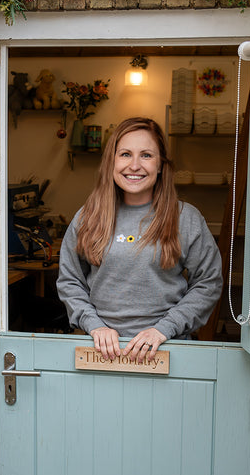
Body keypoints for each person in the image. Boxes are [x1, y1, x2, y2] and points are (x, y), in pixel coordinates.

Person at [57, 117, 223, 362]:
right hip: (99, 350)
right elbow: (70, 280)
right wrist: (95, 326)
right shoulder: (87, 216)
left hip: (167, 349)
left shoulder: (185, 218)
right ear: (111, 162)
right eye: (125, 154)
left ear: (161, 165)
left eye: (146, 155)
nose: (134, 165)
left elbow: (208, 283)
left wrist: (163, 329)